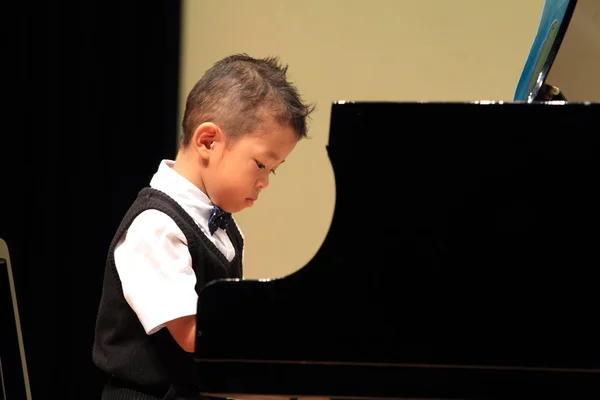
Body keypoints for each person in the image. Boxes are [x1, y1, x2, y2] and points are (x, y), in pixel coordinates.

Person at [92, 53, 314, 400]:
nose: (265, 182)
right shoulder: (156, 226)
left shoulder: (216, 222)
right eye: (260, 165)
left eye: (273, 170)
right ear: (208, 141)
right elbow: (193, 332)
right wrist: (281, 328)